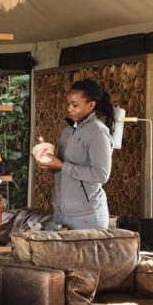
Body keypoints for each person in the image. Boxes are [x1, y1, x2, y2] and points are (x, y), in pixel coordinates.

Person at [36, 79, 115, 230]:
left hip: (87, 217)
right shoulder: (67, 131)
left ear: (91, 105)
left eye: (75, 105)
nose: (69, 109)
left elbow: (101, 175)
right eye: (69, 104)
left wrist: (61, 166)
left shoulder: (98, 132)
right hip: (61, 213)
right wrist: (49, 163)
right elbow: (62, 168)